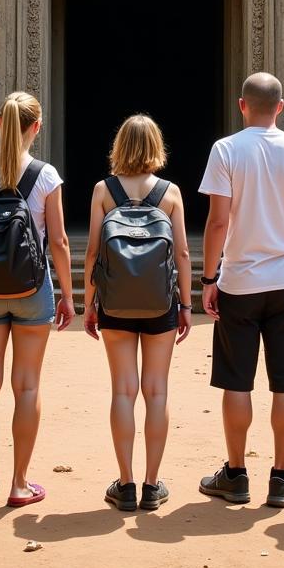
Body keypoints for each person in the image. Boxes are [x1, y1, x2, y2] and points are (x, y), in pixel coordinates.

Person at [197, 72, 284, 508]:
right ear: (282, 107)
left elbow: (217, 221)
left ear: (242, 105)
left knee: (237, 381)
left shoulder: (226, 149)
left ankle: (235, 475)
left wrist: (210, 277)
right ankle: (282, 476)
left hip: (239, 282)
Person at [0, 91, 76, 506]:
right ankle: (19, 483)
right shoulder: (45, 175)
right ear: (35, 128)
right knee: (26, 386)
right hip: (32, 288)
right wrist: (67, 294)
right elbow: (58, 240)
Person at [83, 115, 193, 513]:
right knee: (157, 392)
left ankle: (125, 484)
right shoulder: (171, 193)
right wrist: (185, 304)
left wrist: (88, 303)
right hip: (161, 303)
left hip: (114, 303)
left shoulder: (103, 190)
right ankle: (151, 485)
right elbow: (181, 253)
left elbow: (94, 253)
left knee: (123, 391)